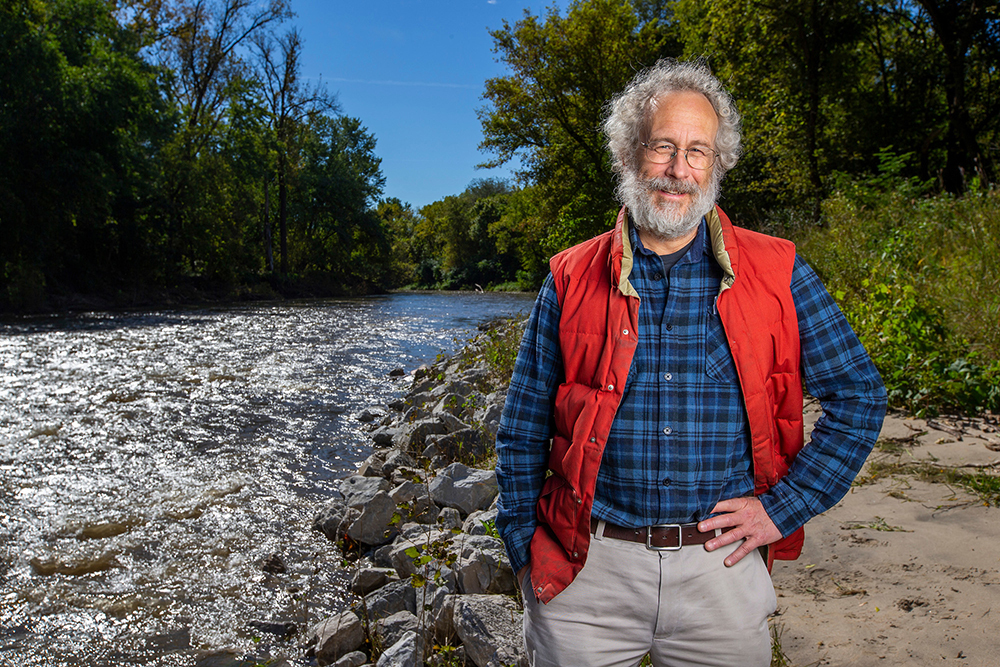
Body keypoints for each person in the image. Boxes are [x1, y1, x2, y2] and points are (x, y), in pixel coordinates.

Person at [494, 59, 887, 667]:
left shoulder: (778, 270)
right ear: (629, 154)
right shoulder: (570, 277)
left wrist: (782, 510)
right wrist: (524, 550)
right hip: (586, 574)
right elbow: (521, 428)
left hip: (721, 574)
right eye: (663, 147)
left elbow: (860, 397)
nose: (679, 170)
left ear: (717, 164)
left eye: (698, 151)